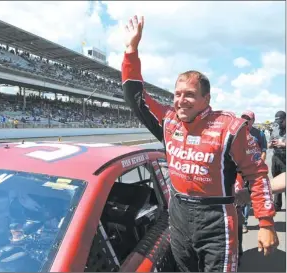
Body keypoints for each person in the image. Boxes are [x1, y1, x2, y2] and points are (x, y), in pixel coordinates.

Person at [121, 15, 279, 272]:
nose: (181, 101)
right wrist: (131, 50)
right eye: (178, 94)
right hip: (179, 214)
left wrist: (265, 223)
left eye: (190, 95)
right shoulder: (168, 121)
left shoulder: (231, 127)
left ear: (206, 99)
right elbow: (135, 97)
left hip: (216, 219)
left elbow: (258, 174)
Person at [241, 110, 268, 233]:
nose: (246, 121)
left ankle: (244, 223)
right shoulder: (238, 132)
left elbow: (263, 150)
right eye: (244, 118)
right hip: (240, 169)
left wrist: (260, 164)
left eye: (248, 119)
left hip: (254, 168)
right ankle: (240, 221)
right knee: (240, 195)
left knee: (248, 196)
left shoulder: (259, 134)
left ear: (253, 120)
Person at [268, 111, 286, 211]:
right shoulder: (275, 129)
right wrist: (271, 144)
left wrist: (283, 144)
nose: (279, 124)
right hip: (276, 158)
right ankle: (277, 204)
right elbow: (269, 142)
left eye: (281, 122)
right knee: (277, 180)